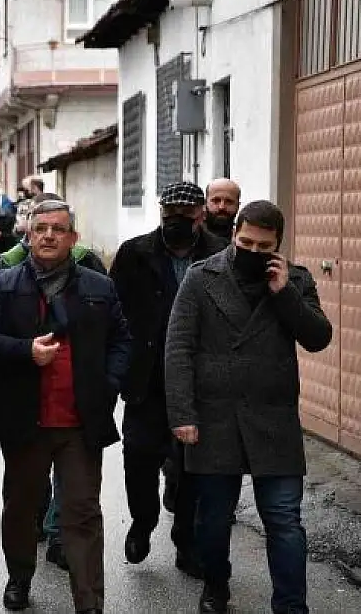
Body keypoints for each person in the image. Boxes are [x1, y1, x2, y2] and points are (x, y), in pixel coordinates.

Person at [165, 200, 332, 614]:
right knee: (214, 520)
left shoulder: (294, 280)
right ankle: (215, 587)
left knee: (284, 521)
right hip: (214, 415)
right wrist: (183, 414)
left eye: (264, 245)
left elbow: (318, 337)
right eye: (246, 242)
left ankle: (291, 606)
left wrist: (284, 294)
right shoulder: (201, 278)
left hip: (272, 418)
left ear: (278, 244)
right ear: (234, 233)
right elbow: (179, 347)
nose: (253, 251)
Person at [0, 200, 130, 613]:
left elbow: (122, 341)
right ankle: (19, 577)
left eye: (58, 229)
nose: (48, 236)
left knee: (82, 514)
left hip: (79, 423)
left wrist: (107, 386)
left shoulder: (99, 287)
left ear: (73, 239)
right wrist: (25, 351)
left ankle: (89, 601)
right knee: (21, 509)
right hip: (25, 420)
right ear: (28, 234)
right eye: (40, 228)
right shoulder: (4, 283)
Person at [109, 180, 228, 578]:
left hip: (199, 382)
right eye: (169, 215)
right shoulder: (134, 253)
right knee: (138, 459)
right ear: (161, 213)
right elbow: (115, 313)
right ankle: (142, 522)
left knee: (193, 466)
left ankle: (186, 542)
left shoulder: (220, 254)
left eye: (185, 216)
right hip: (146, 379)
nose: (176, 222)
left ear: (201, 216)